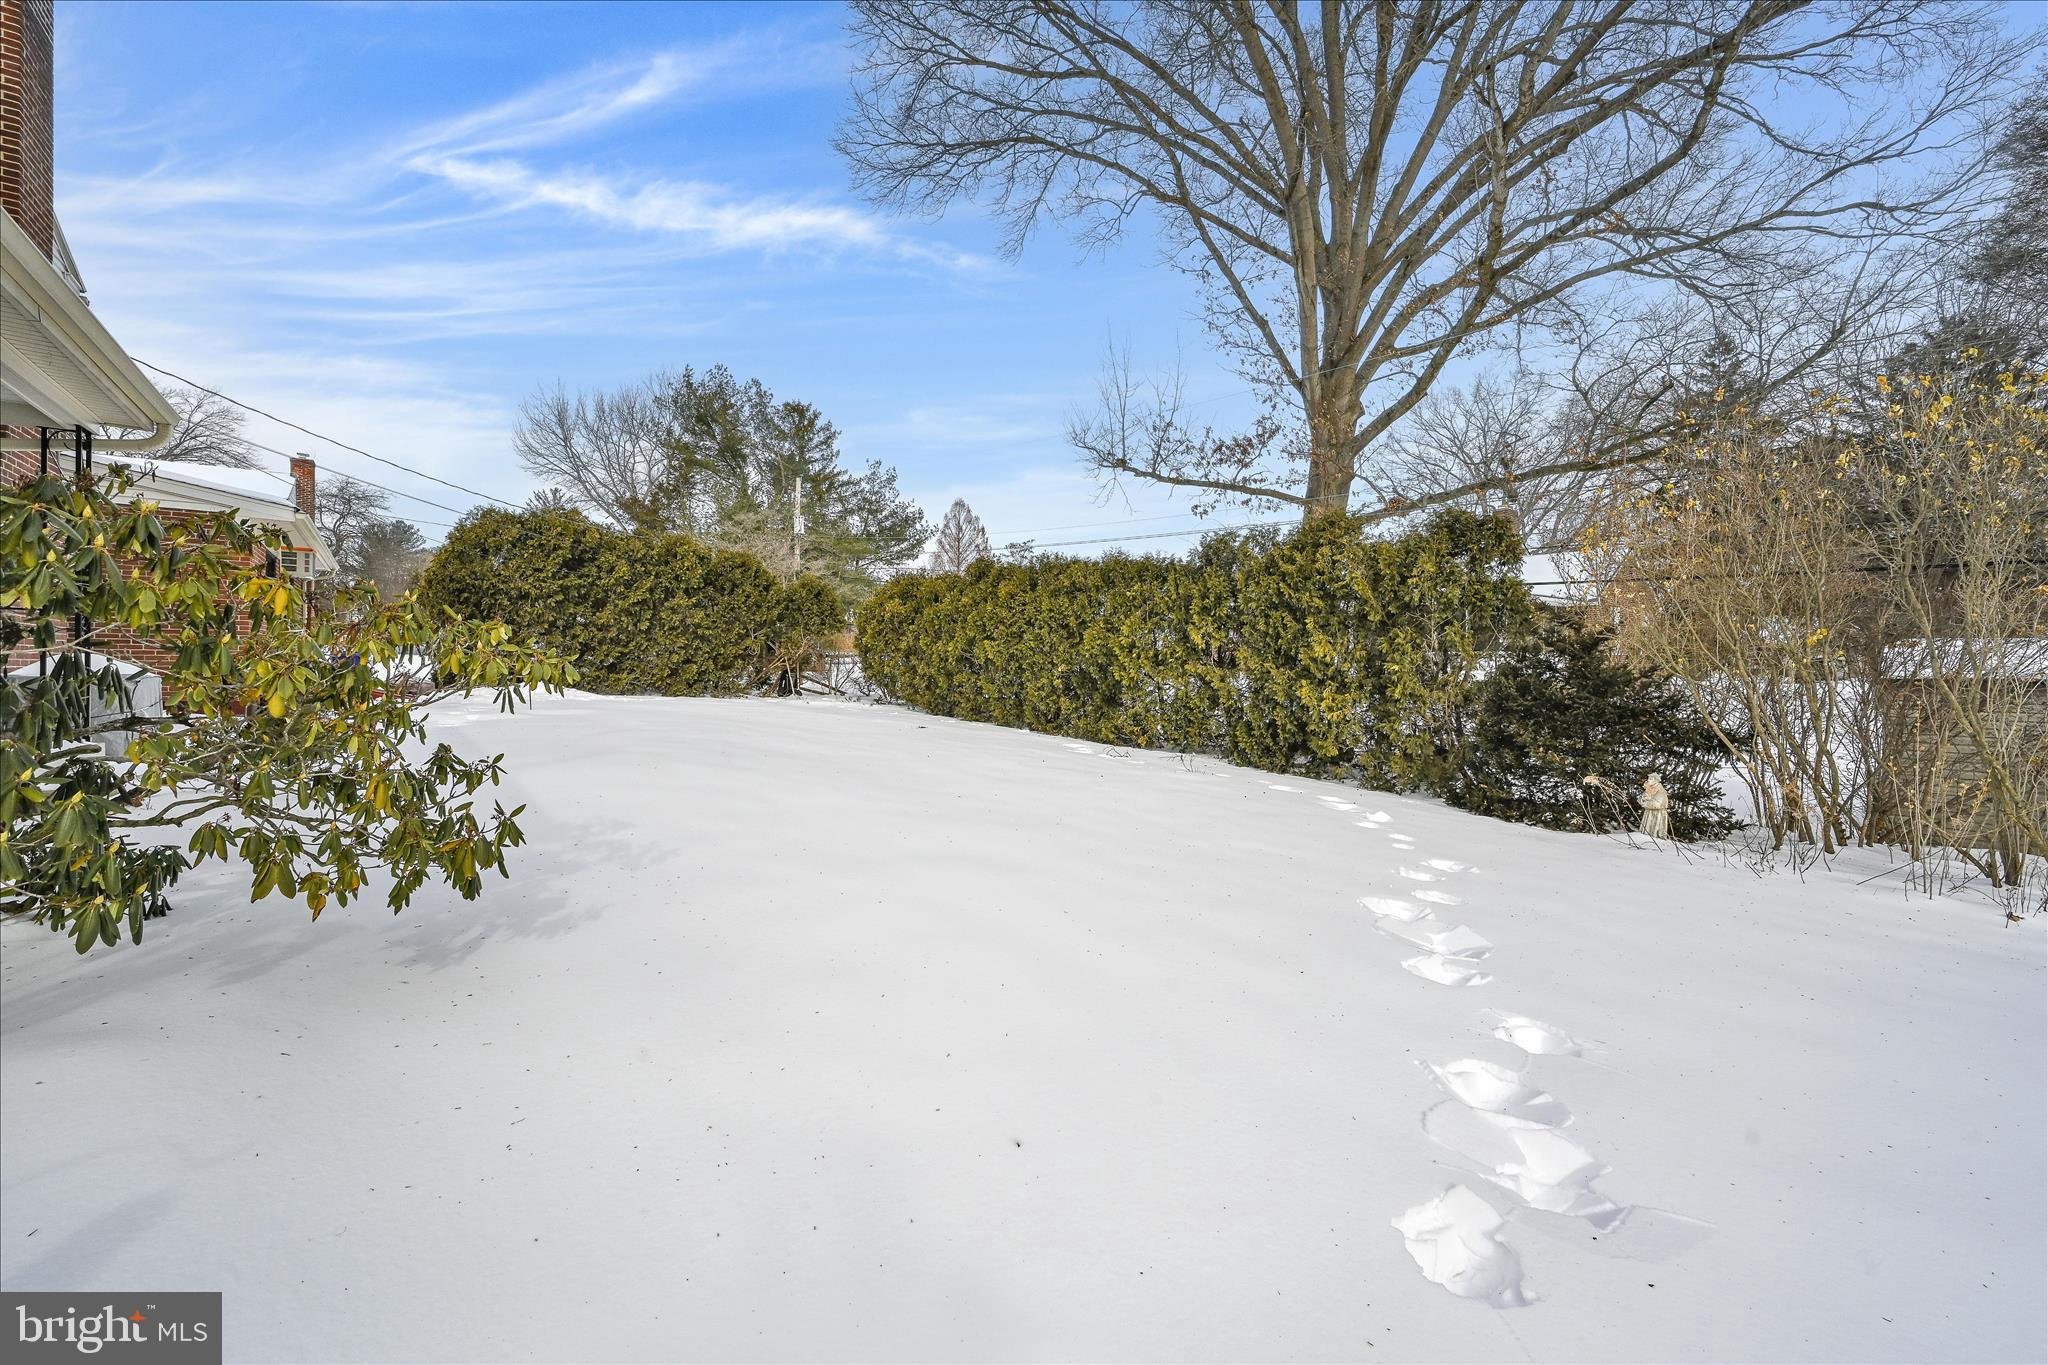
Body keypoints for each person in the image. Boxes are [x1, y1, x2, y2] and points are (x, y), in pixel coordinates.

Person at [1639, 773, 1671, 840]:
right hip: (1649, 812)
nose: (1648, 781)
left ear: (1656, 780)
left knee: (1655, 831)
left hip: (1657, 814)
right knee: (1646, 833)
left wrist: (1646, 803)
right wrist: (1644, 799)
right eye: (1648, 779)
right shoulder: (1649, 789)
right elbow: (1640, 799)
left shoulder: (1661, 791)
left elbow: (1657, 804)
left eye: (1650, 779)